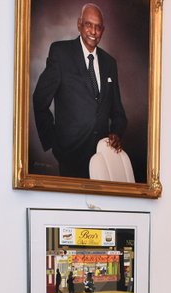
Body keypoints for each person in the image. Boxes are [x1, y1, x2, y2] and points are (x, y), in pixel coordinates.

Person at [32, 3, 127, 179]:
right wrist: (54, 142)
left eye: (98, 27)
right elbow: (40, 99)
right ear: (79, 24)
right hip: (71, 155)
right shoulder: (60, 53)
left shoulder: (109, 63)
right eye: (88, 25)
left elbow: (118, 112)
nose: (93, 31)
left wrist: (116, 132)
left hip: (103, 156)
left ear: (103, 30)